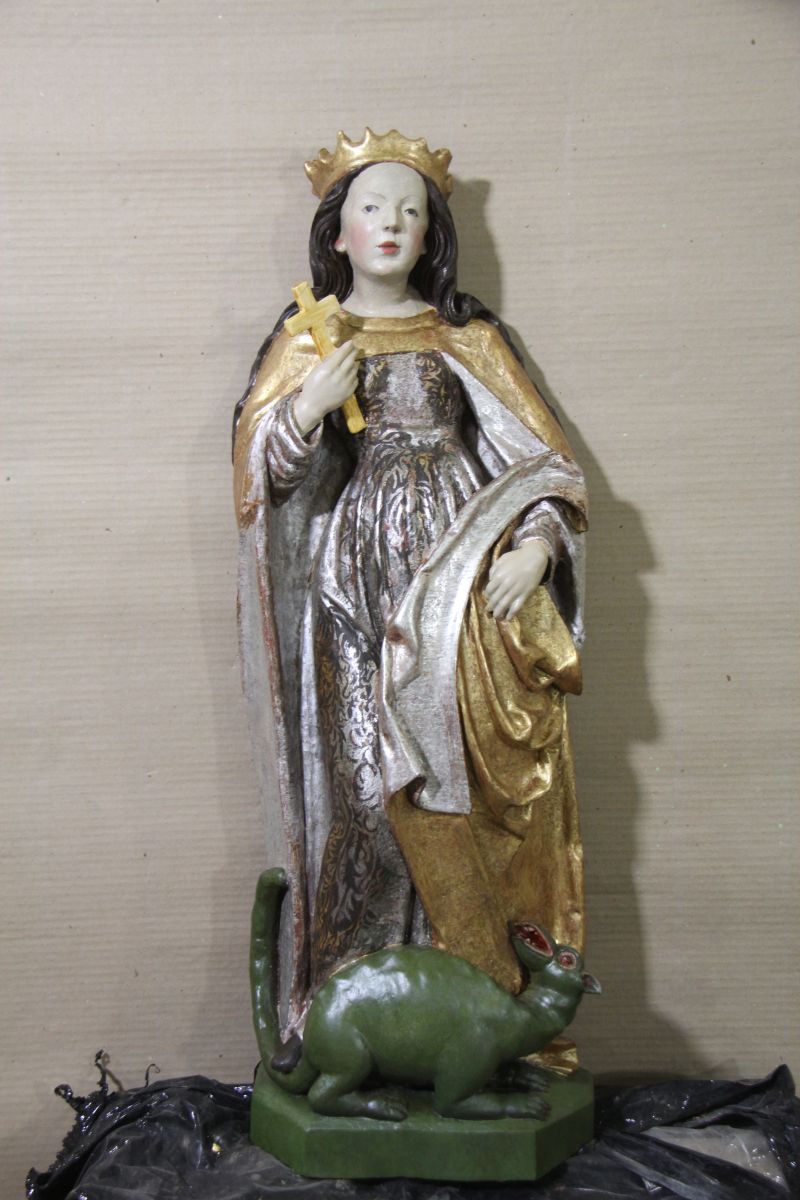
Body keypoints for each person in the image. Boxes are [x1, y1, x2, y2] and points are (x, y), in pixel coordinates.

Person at [233, 130, 587, 1035]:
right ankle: (361, 1009)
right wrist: (307, 408)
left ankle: (475, 1005)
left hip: (458, 588)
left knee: (454, 786)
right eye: (371, 209)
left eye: (409, 211)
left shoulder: (464, 338)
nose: (390, 224)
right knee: (368, 792)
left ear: (430, 236)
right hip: (354, 595)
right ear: (338, 233)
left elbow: (545, 466)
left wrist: (537, 548)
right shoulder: (309, 339)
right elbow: (261, 478)